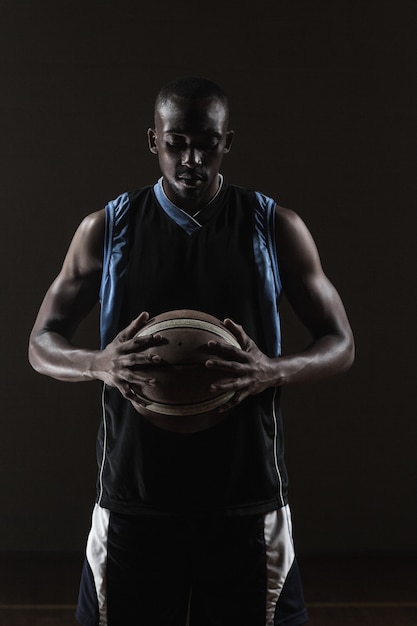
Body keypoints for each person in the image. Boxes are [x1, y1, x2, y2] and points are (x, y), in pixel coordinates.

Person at [28, 76, 354, 626]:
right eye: (177, 142)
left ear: (228, 141)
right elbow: (40, 343)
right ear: (153, 140)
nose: (191, 158)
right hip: (135, 498)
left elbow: (341, 343)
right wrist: (97, 363)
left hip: (245, 499)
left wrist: (271, 370)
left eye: (207, 142)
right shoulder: (106, 230)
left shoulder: (274, 228)